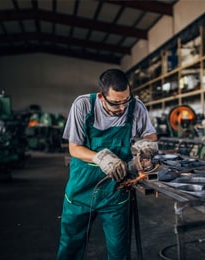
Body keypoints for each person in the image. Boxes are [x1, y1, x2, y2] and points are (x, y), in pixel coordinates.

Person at [56, 68, 158, 260]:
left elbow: (150, 134)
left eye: (126, 100)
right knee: (70, 246)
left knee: (119, 250)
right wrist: (100, 158)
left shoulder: (136, 106)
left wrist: (147, 145)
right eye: (116, 103)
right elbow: (74, 148)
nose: (122, 108)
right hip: (81, 191)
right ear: (102, 97)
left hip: (116, 191)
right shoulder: (84, 105)